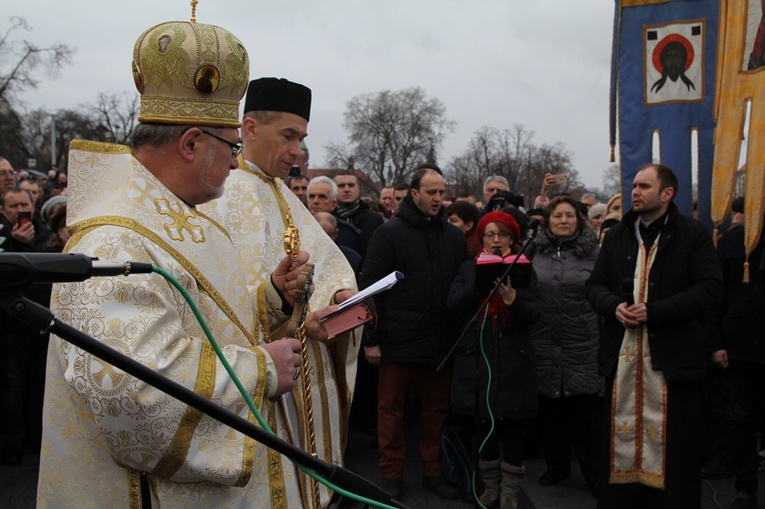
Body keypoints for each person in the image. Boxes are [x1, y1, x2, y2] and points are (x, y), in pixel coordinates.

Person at [36, 20, 316, 507]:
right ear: (190, 143)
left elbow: (202, 318)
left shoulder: (180, 217)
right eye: (231, 145)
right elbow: (129, 392)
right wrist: (260, 371)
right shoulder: (114, 240)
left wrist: (269, 297)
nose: (235, 162)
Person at [199, 77, 360, 508]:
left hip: (299, 383)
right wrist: (285, 313)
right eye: (288, 136)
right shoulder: (218, 196)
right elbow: (218, 305)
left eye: (302, 139)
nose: (297, 150)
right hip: (261, 392)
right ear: (249, 128)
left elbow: (328, 268)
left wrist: (340, 298)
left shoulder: (285, 196)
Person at [586, 163, 723, 509]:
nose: (635, 192)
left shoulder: (692, 233)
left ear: (667, 194)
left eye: (644, 186)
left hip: (672, 362)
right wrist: (614, 306)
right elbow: (594, 286)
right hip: (622, 359)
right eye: (634, 185)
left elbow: (710, 288)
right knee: (619, 446)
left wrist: (656, 311)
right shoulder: (618, 235)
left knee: (674, 452)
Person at [361, 165, 467, 500]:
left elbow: (460, 284)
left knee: (435, 411)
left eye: (442, 192)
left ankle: (433, 473)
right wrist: (371, 339)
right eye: (432, 192)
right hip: (397, 340)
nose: (439, 198)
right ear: (415, 194)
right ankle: (391, 475)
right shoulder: (388, 233)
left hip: (441, 342)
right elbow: (370, 290)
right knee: (390, 410)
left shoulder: (453, 236)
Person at [448, 211, 540, 509]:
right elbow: (453, 304)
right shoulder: (467, 268)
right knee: (483, 424)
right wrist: (479, 283)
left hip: (514, 357)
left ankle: (511, 492)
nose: (496, 239)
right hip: (478, 354)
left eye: (502, 234)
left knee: (513, 426)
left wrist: (515, 300)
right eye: (490, 234)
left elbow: (536, 314)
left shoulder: (525, 268)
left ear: (513, 239)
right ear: (482, 239)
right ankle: (490, 487)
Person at [528, 195, 601, 495]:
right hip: (543, 339)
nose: (563, 221)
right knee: (551, 412)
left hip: (582, 342)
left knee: (585, 414)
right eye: (557, 215)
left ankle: (594, 474)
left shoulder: (596, 253)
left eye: (570, 216)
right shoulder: (534, 250)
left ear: (579, 220)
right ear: (548, 220)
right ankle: (556, 467)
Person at [707, 200, 764, 509]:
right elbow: (717, 296)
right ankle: (745, 490)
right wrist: (715, 342)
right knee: (741, 419)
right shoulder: (732, 240)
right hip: (740, 346)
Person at [0, 187, 54, 465]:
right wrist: (13, 243)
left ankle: (36, 439)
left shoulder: (44, 232)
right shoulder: (4, 237)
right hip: (10, 326)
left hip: (41, 323)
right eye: (13, 206)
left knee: (39, 384)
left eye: (25, 204)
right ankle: (12, 445)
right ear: (3, 210)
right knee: (13, 386)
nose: (20, 210)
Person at [333, 170, 384, 257]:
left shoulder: (374, 219)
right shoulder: (328, 219)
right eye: (341, 186)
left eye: (351, 185)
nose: (346, 189)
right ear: (333, 189)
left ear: (358, 188)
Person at [308, 175, 362, 254]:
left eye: (322, 197)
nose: (315, 201)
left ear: (333, 204)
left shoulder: (348, 233)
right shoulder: (295, 227)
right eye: (312, 196)